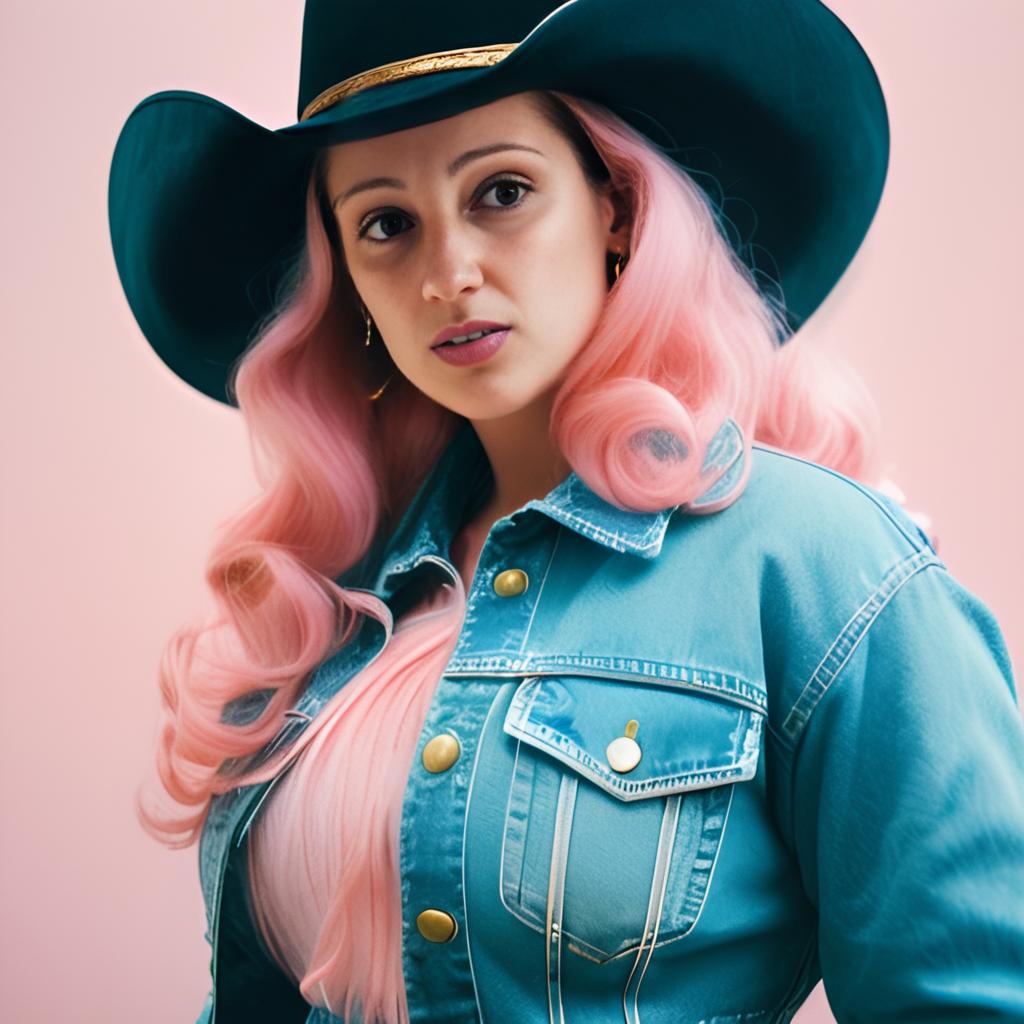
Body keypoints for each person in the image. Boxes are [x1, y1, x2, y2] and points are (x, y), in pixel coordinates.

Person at [107, 1, 1024, 1022]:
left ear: (617, 209)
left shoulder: (823, 567)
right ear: (349, 278)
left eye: (501, 191)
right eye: (385, 223)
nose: (447, 272)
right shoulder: (335, 598)